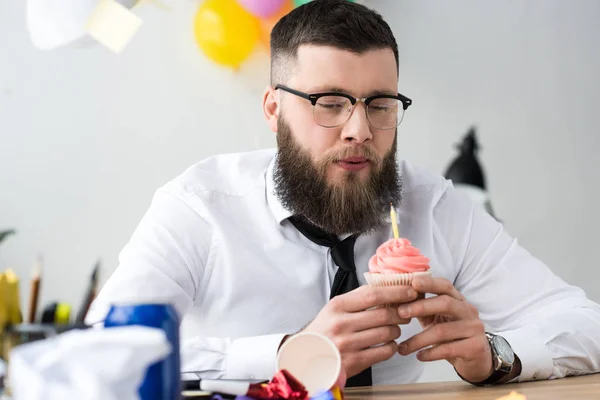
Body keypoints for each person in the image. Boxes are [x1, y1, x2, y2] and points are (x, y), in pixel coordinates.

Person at [86, 0, 600, 387]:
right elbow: (105, 353)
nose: (359, 129)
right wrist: (290, 354)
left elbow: (587, 325)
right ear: (272, 110)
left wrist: (496, 353)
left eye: (380, 104)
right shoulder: (200, 206)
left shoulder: (434, 206)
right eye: (329, 103)